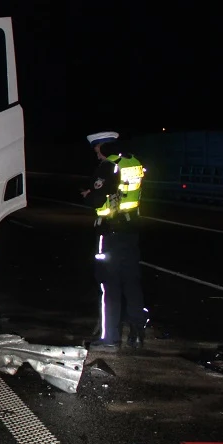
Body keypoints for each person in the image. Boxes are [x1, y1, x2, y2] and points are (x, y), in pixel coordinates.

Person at [81, 131, 147, 350]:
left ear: (103, 147)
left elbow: (98, 198)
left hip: (111, 231)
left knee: (109, 285)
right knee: (131, 281)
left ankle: (110, 338)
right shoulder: (134, 161)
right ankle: (138, 329)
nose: (96, 154)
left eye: (97, 149)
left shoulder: (108, 166)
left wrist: (89, 194)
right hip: (131, 229)